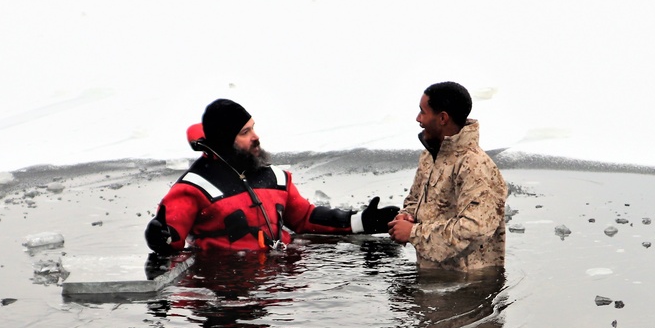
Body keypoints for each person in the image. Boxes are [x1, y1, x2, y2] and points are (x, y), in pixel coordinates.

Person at [146, 99, 399, 254]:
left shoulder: (275, 178)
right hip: (225, 291)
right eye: (245, 132)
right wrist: (158, 237)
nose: (256, 136)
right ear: (224, 142)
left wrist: (362, 221)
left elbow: (305, 217)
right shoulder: (193, 189)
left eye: (253, 127)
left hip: (275, 287)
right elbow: (171, 241)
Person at [388, 82, 508, 271]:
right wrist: (406, 216)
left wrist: (414, 233)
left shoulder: (475, 166)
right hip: (434, 280)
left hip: (470, 286)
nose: (418, 118)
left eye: (423, 112)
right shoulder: (429, 156)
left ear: (442, 118)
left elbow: (474, 230)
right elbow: (414, 199)